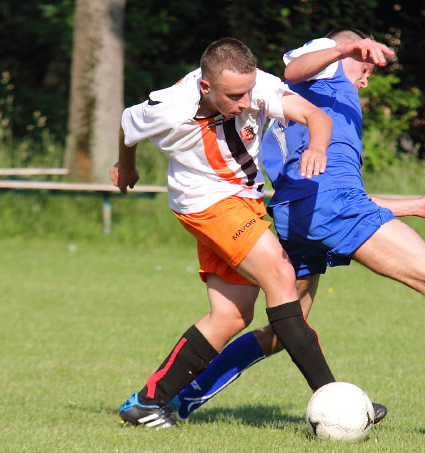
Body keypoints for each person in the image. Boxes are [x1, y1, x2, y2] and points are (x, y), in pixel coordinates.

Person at [169, 29, 425, 422]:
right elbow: (294, 67)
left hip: (299, 215)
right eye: (365, 68)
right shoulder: (325, 70)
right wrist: (345, 46)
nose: (366, 78)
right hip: (331, 207)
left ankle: (184, 397)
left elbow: (332, 189)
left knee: (284, 330)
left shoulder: (303, 106)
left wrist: (410, 205)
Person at [113, 37, 347, 429]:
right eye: (235, 96)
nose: (246, 103)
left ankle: (145, 403)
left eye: (248, 92)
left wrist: (317, 148)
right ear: (206, 87)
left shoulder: (256, 85)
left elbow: (317, 117)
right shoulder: (170, 109)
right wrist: (127, 167)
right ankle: (334, 401)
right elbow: (127, 124)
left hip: (244, 201)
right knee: (281, 274)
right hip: (206, 203)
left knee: (231, 315)